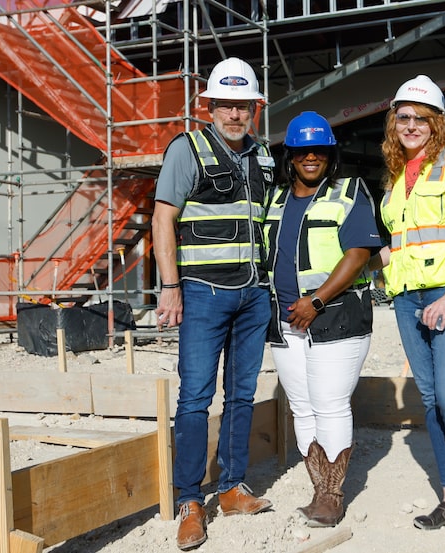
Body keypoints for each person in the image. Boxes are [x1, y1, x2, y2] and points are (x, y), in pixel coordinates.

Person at [152, 57, 277, 551]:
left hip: (252, 296)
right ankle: (189, 500)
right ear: (209, 106)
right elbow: (164, 219)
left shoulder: (263, 157)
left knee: (242, 396)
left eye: (242, 104)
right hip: (203, 295)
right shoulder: (188, 149)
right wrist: (170, 286)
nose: (233, 113)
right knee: (195, 399)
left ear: (254, 108)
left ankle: (229, 487)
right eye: (224, 104)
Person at [372, 75, 445, 535]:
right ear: (393, 122)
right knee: (429, 399)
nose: (410, 124)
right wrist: (359, 257)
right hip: (407, 296)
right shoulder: (397, 178)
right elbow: (397, 247)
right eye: (402, 116)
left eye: (420, 117)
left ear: (436, 121)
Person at [264, 111, 382, 527]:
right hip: (285, 320)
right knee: (301, 406)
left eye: (319, 150)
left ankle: (332, 495)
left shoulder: (350, 192)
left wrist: (315, 300)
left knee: (330, 404)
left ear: (331, 155)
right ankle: (317, 487)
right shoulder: (275, 200)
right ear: (290, 155)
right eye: (301, 151)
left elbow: (359, 253)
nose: (310, 157)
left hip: (336, 316)